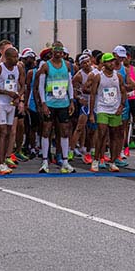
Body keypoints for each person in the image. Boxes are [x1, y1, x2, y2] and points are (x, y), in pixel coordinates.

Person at [35, 41, 76, 174]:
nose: (58, 54)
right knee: (47, 130)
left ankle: (65, 161)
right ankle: (45, 161)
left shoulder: (68, 65)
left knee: (64, 130)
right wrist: (43, 103)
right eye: (56, 52)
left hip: (63, 102)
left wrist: (71, 100)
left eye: (60, 52)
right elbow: (41, 86)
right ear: (52, 52)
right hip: (50, 102)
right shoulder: (46, 66)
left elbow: (70, 84)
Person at [86, 53, 127, 172]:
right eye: (109, 61)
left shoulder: (118, 76)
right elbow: (93, 94)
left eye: (113, 61)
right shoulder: (98, 76)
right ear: (103, 63)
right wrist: (92, 113)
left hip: (115, 109)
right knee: (101, 133)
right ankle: (96, 160)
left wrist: (121, 106)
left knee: (115, 135)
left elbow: (123, 91)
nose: (112, 63)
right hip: (102, 108)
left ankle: (113, 161)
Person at [0, 47, 25, 175]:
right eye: (14, 57)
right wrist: (6, 92)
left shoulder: (18, 68)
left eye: (17, 57)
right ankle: (0, 161)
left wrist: (18, 96)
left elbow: (22, 85)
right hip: (0, 102)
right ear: (7, 57)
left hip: (11, 103)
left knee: (9, 131)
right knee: (2, 131)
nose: (16, 59)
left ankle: (5, 159)